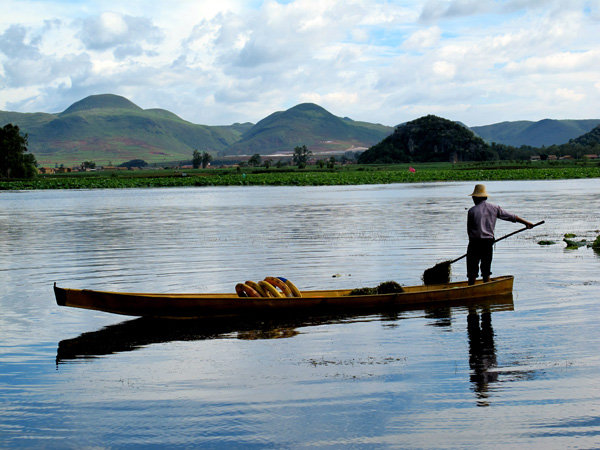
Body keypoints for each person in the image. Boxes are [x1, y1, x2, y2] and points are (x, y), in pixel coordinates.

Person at [467, 184, 533, 285]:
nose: (472, 198)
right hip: (487, 242)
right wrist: (526, 223)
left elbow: (469, 230)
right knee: (486, 268)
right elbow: (511, 217)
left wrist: (472, 244)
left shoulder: (472, 211)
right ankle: (486, 285)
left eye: (473, 197)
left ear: (476, 197)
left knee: (472, 268)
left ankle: (471, 286)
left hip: (474, 243)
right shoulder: (494, 208)